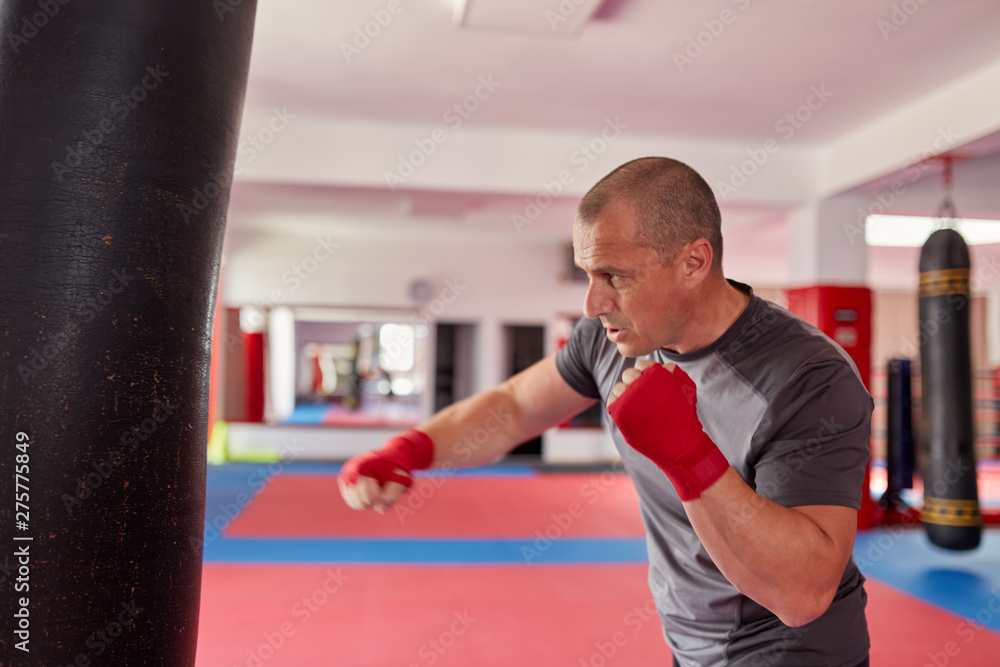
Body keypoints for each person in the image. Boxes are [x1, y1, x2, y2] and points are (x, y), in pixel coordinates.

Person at [338, 157, 872, 666]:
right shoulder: (610, 340)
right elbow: (516, 406)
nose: (593, 303)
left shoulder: (806, 376)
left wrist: (688, 453)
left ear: (694, 262)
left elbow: (805, 593)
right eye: (589, 274)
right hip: (693, 641)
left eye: (615, 276)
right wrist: (411, 448)